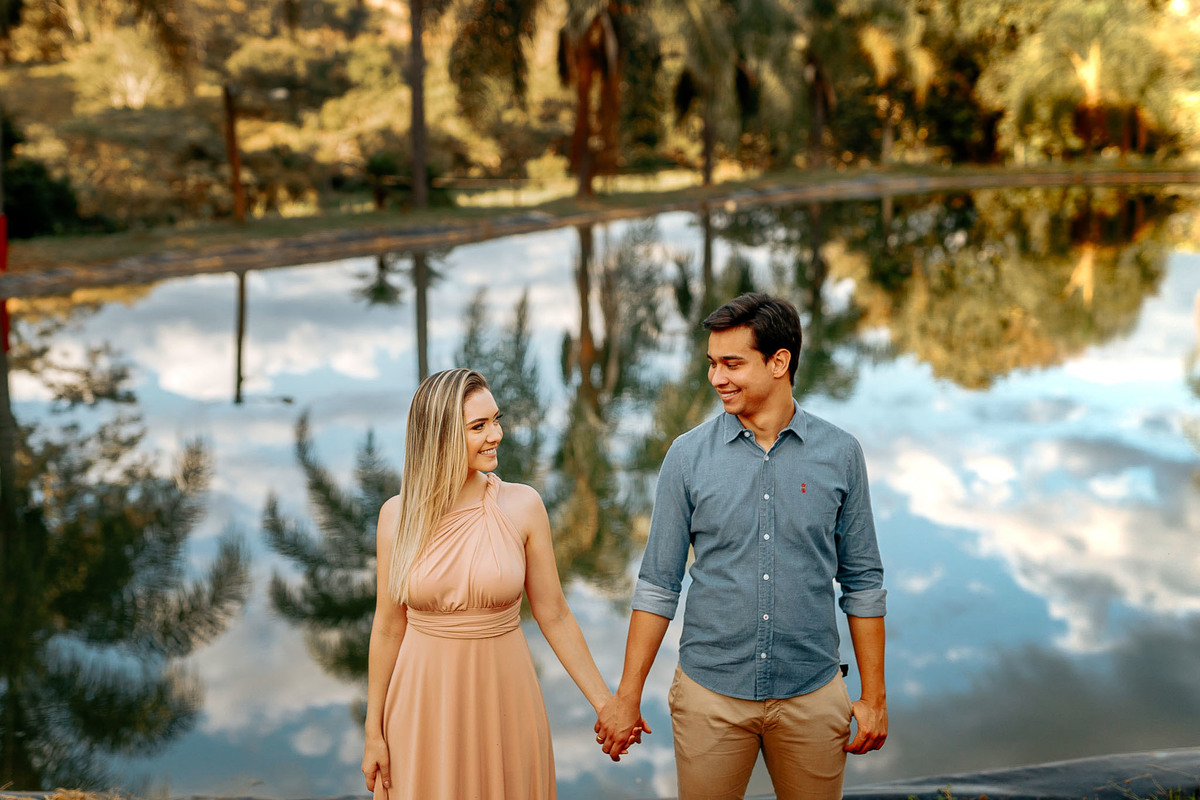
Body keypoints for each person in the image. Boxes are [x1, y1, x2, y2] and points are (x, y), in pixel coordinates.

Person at [595, 293, 888, 800]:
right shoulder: (686, 457)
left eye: (732, 363)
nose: (717, 378)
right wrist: (627, 695)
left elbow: (863, 582)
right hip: (710, 698)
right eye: (712, 363)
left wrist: (874, 697)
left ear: (780, 362)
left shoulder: (841, 454)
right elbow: (657, 585)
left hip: (814, 697)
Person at [362, 368, 642, 799]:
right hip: (421, 705)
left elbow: (555, 614)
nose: (497, 434)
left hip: (504, 700)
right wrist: (374, 731)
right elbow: (387, 627)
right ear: (439, 436)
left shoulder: (523, 505)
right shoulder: (396, 516)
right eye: (478, 426)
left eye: (496, 419)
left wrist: (606, 702)